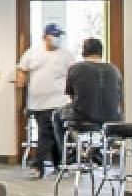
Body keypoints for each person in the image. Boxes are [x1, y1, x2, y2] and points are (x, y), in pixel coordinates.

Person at [17, 23, 76, 179]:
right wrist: (20, 82)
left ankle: (38, 165)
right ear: (45, 37)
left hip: (59, 101)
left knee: (48, 132)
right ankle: (59, 164)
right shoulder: (32, 53)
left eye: (59, 35)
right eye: (54, 35)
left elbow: (74, 75)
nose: (57, 39)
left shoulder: (67, 55)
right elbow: (22, 69)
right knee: (52, 133)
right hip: (37, 103)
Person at [62, 37, 122, 136]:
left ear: (83, 52)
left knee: (57, 115)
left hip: (83, 118)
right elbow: (118, 98)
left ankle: (67, 150)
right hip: (113, 118)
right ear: (101, 52)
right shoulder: (115, 70)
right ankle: (101, 147)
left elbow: (72, 97)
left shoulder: (75, 69)